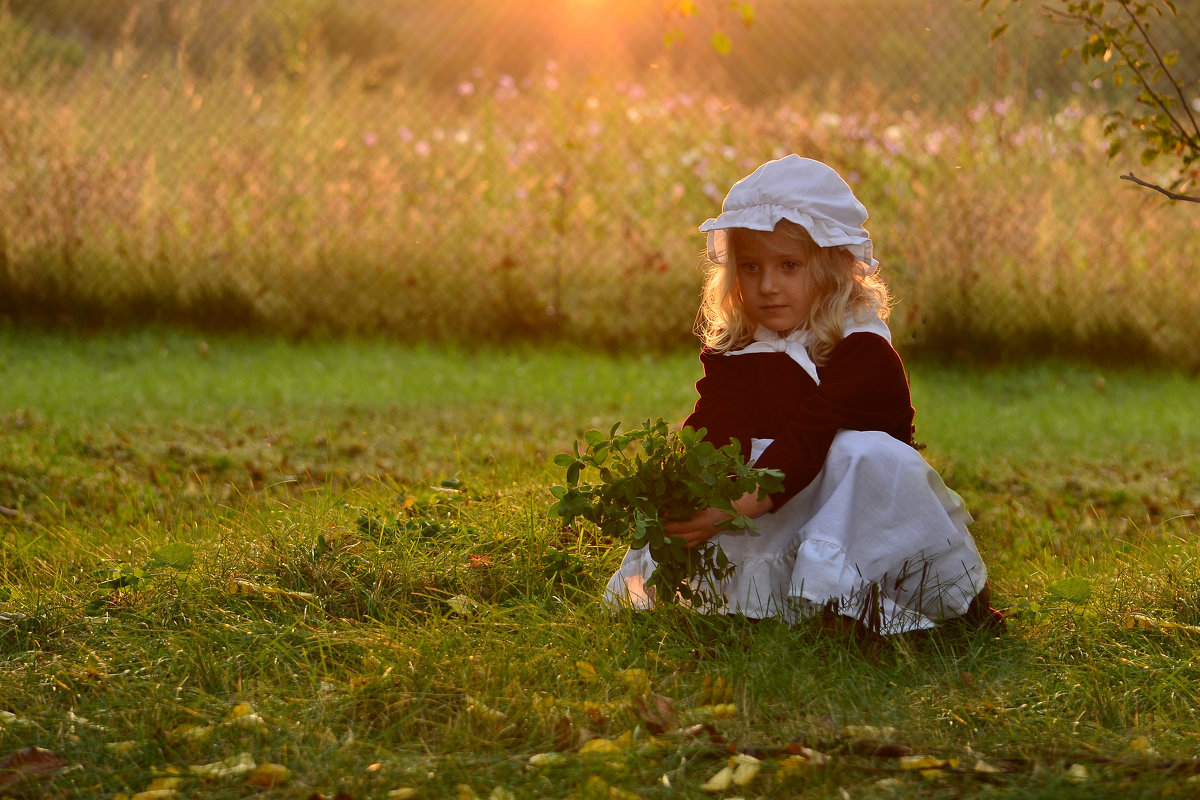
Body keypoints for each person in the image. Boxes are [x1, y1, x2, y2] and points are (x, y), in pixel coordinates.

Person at [604, 155, 1000, 635]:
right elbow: (714, 428)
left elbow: (805, 445)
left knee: (858, 451)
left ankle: (877, 610)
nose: (767, 286)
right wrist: (680, 490)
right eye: (751, 267)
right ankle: (772, 606)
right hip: (775, 500)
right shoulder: (744, 346)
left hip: (860, 513)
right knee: (730, 467)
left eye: (789, 265)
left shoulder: (861, 348)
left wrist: (727, 510)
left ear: (832, 266)